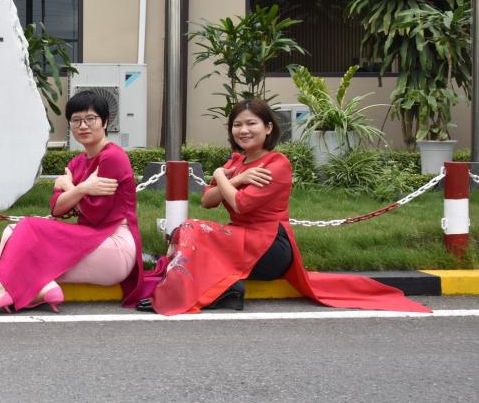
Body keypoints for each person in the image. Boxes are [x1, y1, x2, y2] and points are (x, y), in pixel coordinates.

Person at [142, 98, 431, 315]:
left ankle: (189, 294)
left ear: (268, 128)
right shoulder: (237, 162)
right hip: (242, 239)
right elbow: (207, 201)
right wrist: (236, 176)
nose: (243, 130)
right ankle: (224, 291)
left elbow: (241, 205)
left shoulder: (276, 164)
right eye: (237, 124)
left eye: (251, 123)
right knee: (188, 229)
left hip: (270, 246)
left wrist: (220, 175)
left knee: (195, 230)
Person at [0, 90, 146, 316]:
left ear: (105, 122)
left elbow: (95, 213)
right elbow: (57, 208)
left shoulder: (112, 157)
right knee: (12, 231)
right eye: (76, 120)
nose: (83, 126)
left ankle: (4, 290)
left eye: (90, 119)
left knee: (28, 227)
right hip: (89, 239)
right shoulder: (78, 162)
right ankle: (34, 288)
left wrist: (73, 187)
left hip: (114, 245)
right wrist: (82, 189)